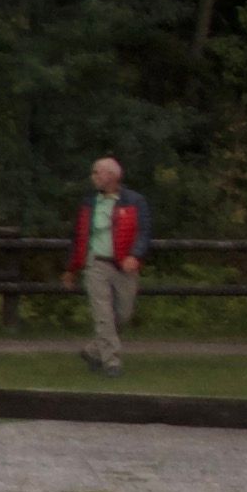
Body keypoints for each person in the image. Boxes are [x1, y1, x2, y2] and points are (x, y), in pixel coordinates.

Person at [75, 155, 149, 375]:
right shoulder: (90, 203)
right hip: (96, 264)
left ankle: (93, 350)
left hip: (124, 265)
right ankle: (112, 362)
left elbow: (144, 233)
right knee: (103, 314)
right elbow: (78, 235)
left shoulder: (135, 201)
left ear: (111, 176)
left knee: (123, 314)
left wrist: (135, 255)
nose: (94, 177)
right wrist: (71, 267)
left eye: (97, 172)